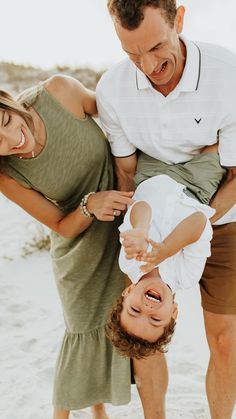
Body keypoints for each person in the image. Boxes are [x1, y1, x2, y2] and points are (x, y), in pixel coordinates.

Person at [96, 1, 236, 418]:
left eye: (156, 47)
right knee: (143, 338)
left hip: (221, 212)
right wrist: (138, 228)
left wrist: (196, 214)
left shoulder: (227, 76)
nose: (147, 65)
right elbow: (127, 172)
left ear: (179, 19)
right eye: (131, 53)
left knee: (226, 340)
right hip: (151, 208)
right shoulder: (113, 89)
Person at [0, 75, 136, 419]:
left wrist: (127, 173)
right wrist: (91, 204)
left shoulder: (59, 92)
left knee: (121, 323)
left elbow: (118, 115)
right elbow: (60, 224)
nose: (11, 139)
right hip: (78, 248)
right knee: (81, 336)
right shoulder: (6, 174)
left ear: (8, 102)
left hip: (128, 226)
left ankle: (99, 411)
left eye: (5, 121)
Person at [107, 145, 225, 357]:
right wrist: (166, 250)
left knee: (163, 135)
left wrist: (141, 230)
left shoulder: (130, 263)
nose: (147, 309)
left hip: (152, 176)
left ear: (127, 293)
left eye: (135, 310)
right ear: (173, 313)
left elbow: (141, 206)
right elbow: (199, 221)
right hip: (195, 186)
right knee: (216, 144)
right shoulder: (185, 276)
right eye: (155, 319)